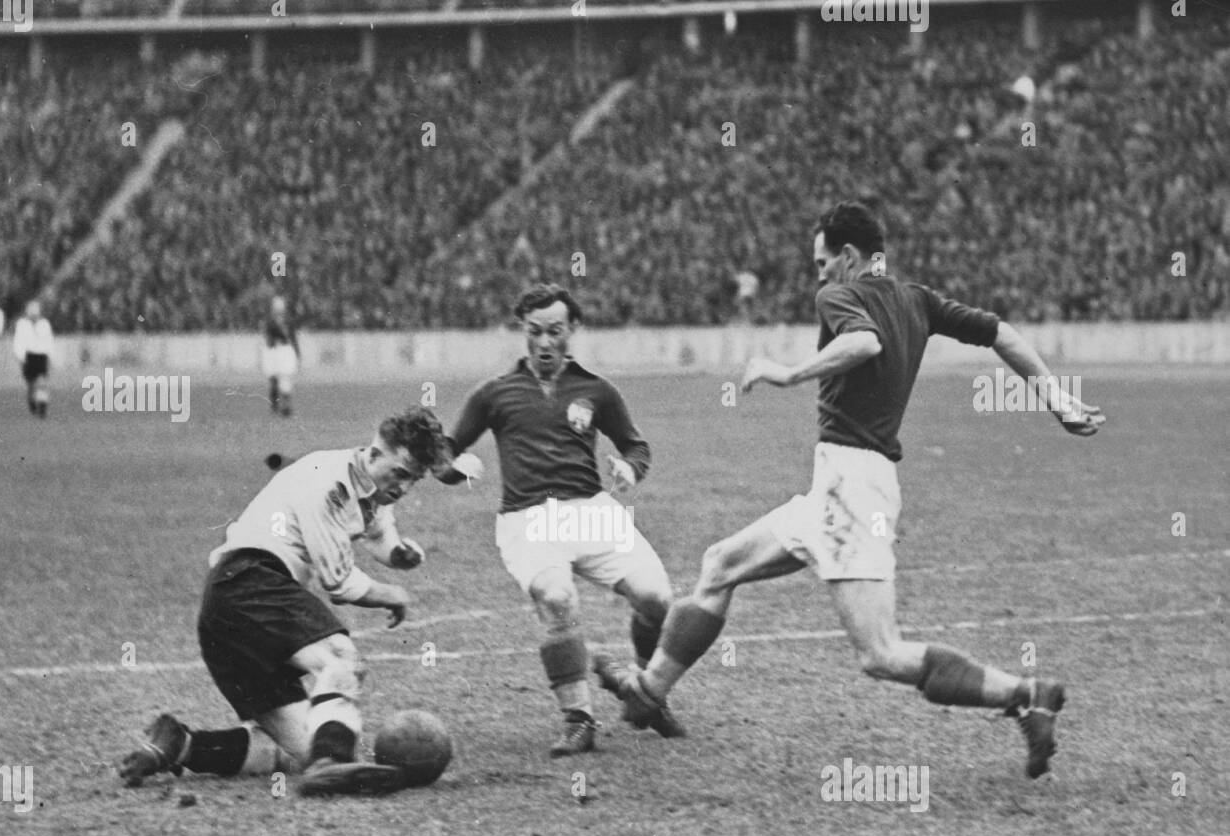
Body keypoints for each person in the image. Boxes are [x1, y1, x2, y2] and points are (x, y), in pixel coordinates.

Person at [595, 202, 1105, 778]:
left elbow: (864, 345)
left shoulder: (840, 295)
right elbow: (1001, 333)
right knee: (719, 565)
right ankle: (651, 688)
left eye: (821, 262)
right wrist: (1055, 396)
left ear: (848, 256)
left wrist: (788, 372)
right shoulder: (919, 299)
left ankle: (1025, 693)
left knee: (880, 653)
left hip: (852, 490)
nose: (817, 274)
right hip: (837, 489)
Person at [118, 407, 451, 796]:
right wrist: (391, 594)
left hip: (225, 612)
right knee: (342, 659)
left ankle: (181, 744)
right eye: (400, 473)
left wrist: (398, 553)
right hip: (250, 579)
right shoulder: (329, 484)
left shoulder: (373, 485)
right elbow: (338, 582)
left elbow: (379, 531)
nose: (404, 487)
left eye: (413, 479)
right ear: (375, 452)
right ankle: (333, 765)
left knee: (301, 752)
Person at [438, 283, 681, 757]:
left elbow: (636, 444)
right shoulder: (494, 393)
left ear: (572, 329)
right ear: (523, 332)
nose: (544, 343)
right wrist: (453, 468)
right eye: (534, 332)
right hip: (527, 519)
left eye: (554, 331)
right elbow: (446, 447)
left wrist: (630, 468)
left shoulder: (596, 391)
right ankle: (579, 718)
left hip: (589, 511)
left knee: (657, 598)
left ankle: (648, 691)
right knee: (556, 596)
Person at [12, 299, 54, 418]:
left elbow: (49, 340)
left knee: (42, 382)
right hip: (29, 357)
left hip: (41, 356)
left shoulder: (45, 324)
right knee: (31, 384)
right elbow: (18, 341)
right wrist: (20, 356)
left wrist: (50, 355)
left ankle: (42, 408)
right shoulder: (22, 324)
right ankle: (32, 403)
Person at [263, 295, 300, 416]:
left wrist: (297, 353)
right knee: (273, 379)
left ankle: (286, 406)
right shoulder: (270, 321)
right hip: (274, 351)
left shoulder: (288, 321)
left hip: (285, 351)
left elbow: (293, 337)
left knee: (285, 378)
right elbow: (268, 338)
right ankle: (275, 405)